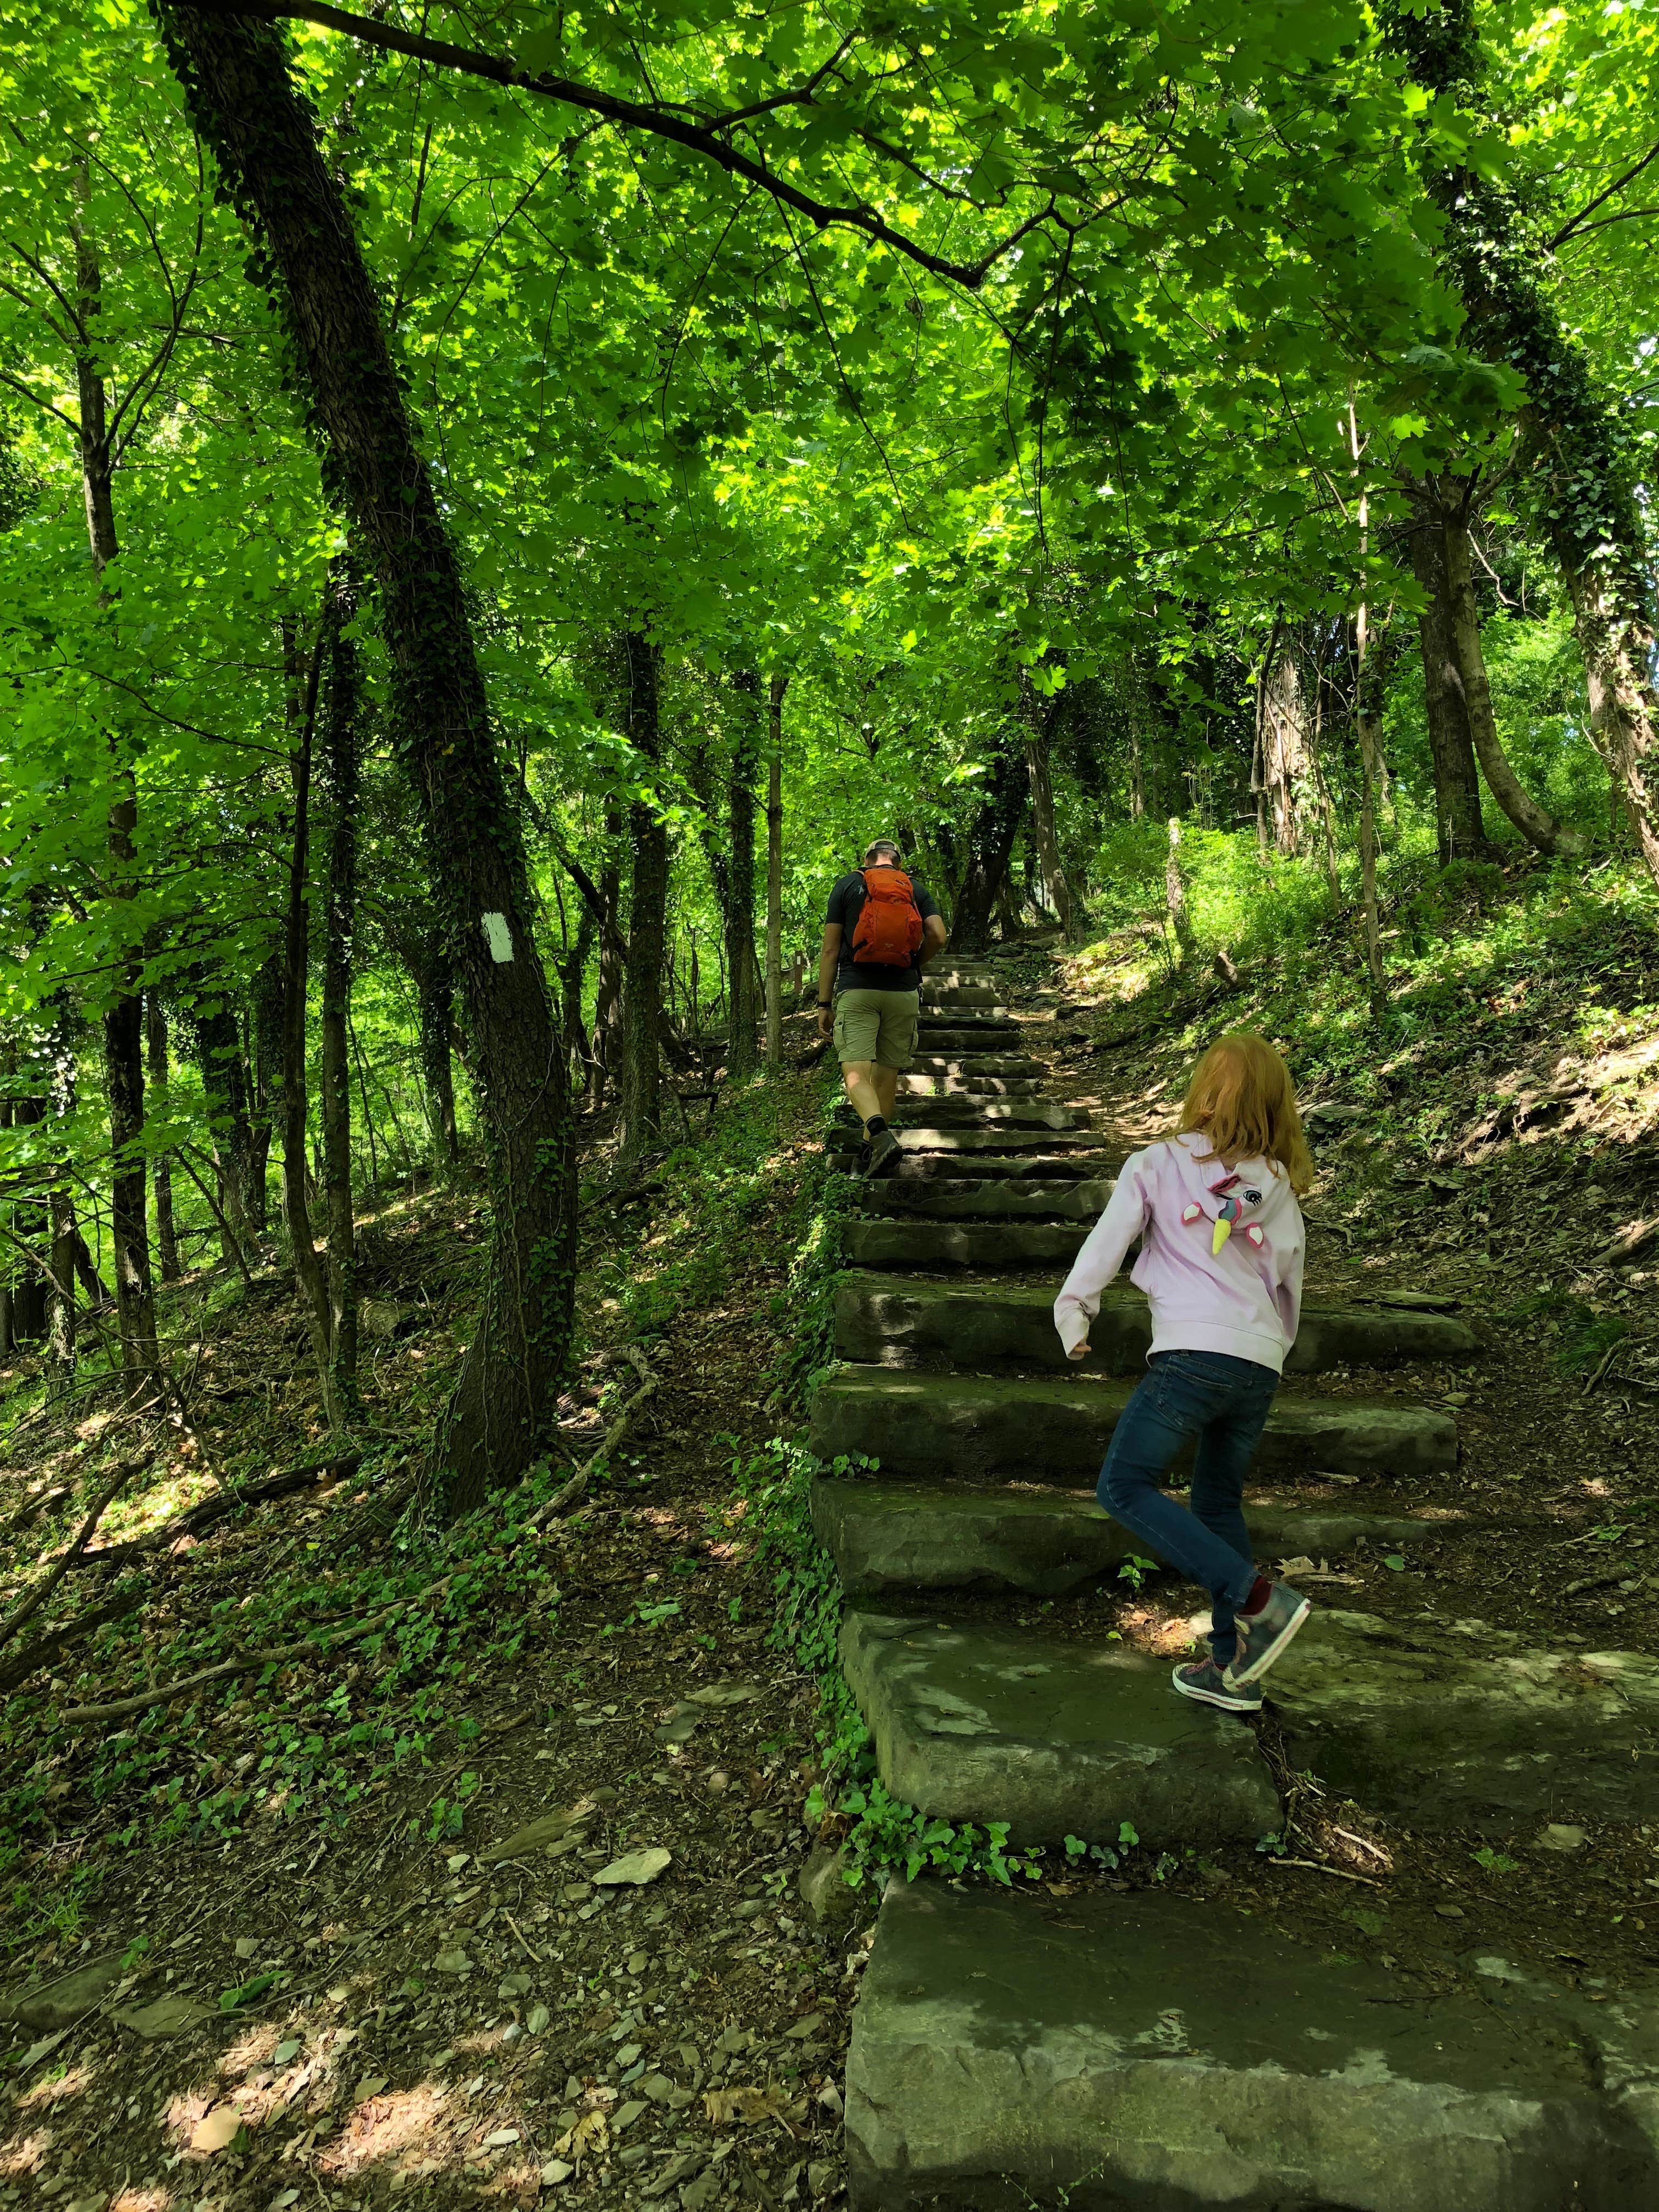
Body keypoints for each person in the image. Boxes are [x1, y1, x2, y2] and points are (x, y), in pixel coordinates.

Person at [1053, 1031, 1313, 1712]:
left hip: (1193, 1357)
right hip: (1257, 1364)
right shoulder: (1278, 1183)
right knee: (1218, 1503)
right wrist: (1274, 1350)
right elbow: (1288, 1276)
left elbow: (1108, 1241)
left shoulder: (1158, 1163)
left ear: (1203, 1092)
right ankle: (1232, 1670)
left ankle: (1260, 1601)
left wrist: (1074, 1310)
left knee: (1123, 1485)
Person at [816, 840, 948, 1175]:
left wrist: (824, 1002)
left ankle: (878, 1135)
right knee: (887, 1075)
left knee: (856, 1072)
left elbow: (830, 950)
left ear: (867, 860)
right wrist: (915, 965)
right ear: (898, 862)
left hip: (857, 989)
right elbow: (938, 936)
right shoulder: (915, 889)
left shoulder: (847, 885)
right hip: (902, 992)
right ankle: (868, 1152)